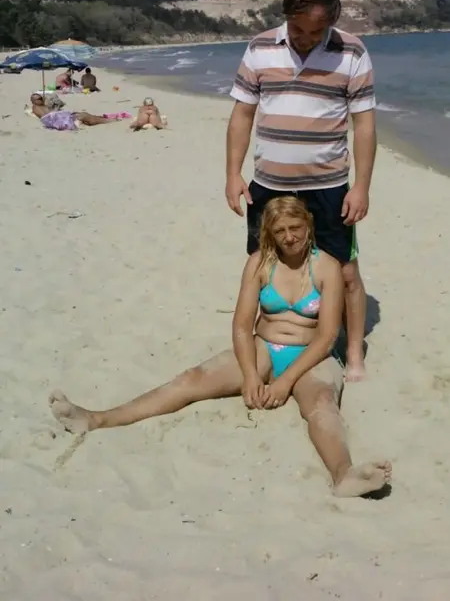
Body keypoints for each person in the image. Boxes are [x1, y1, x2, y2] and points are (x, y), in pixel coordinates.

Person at [49, 196, 391, 498]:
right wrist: (251, 376)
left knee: (321, 405)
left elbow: (327, 336)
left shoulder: (327, 267)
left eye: (295, 228)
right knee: (192, 379)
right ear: (270, 233)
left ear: (308, 225)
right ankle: (97, 419)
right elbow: (242, 325)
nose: (289, 237)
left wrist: (286, 381)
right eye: (281, 230)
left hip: (311, 356)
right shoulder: (260, 263)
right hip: (263, 347)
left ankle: (343, 474)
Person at [225, 0, 377, 382]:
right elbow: (242, 114)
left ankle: (354, 351)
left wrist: (361, 186)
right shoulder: (260, 48)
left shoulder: (352, 51)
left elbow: (364, 124)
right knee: (264, 265)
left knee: (345, 271)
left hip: (329, 186)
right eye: (299, 29)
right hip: (269, 185)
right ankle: (270, 340)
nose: (307, 39)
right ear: (286, 15)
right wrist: (232, 174)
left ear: (332, 20)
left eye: (317, 31)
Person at [30, 93, 117, 130]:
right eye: (39, 99)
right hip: (60, 121)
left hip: (60, 118)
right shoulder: (36, 107)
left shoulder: (40, 106)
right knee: (83, 115)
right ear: (33, 101)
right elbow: (50, 117)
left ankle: (101, 118)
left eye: (41, 98)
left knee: (82, 114)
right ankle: (108, 121)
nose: (41, 99)